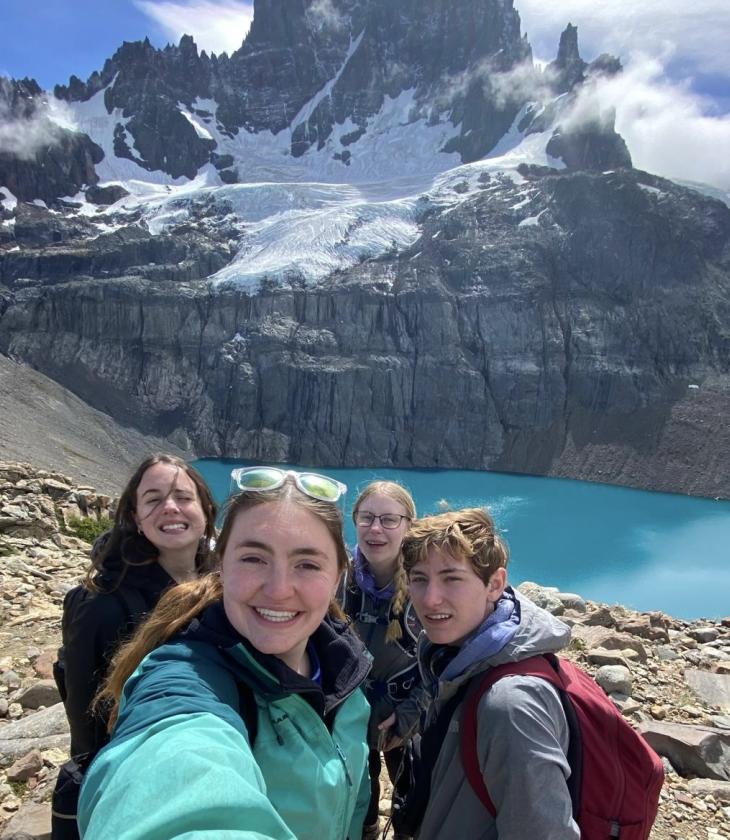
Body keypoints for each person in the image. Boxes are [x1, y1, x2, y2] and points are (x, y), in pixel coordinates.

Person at [77, 466, 372, 840]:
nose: (279, 589)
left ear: (337, 577)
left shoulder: (343, 668)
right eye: (253, 558)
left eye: (308, 564)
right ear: (221, 565)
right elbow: (173, 776)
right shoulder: (186, 678)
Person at [398, 507, 580, 840]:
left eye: (452, 578)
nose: (430, 599)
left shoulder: (511, 705)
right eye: (419, 579)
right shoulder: (453, 658)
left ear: (495, 585)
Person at [58, 454, 217, 761]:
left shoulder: (226, 580)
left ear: (206, 511)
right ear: (136, 518)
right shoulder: (102, 604)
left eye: (184, 497)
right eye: (153, 499)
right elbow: (87, 718)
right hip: (144, 762)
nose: (170, 507)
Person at [343, 481, 427, 840]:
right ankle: (368, 830)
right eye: (367, 518)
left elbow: (446, 659)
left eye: (389, 520)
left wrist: (410, 714)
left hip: (405, 720)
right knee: (360, 796)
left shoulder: (427, 584)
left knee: (410, 795)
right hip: (348, 714)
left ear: (409, 525)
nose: (376, 529)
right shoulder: (336, 578)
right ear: (355, 522)